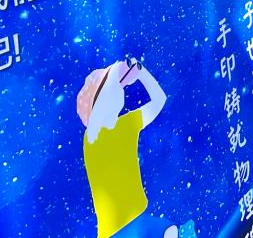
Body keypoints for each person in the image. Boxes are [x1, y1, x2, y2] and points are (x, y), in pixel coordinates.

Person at [78, 58, 194, 238]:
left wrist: (140, 72)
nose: (120, 91)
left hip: (139, 218)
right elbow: (101, 101)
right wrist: (125, 72)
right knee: (170, 232)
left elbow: (160, 100)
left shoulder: (126, 125)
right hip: (116, 230)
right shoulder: (93, 138)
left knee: (171, 231)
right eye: (116, 88)